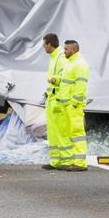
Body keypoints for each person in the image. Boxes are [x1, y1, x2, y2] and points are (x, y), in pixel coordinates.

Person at [61, 39, 90, 171]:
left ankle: (80, 162)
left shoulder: (79, 64)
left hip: (74, 106)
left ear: (73, 50)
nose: (64, 51)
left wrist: (74, 103)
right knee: (71, 133)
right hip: (68, 105)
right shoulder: (71, 63)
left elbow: (81, 85)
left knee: (77, 133)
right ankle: (74, 160)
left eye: (66, 49)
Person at [42, 33, 70, 170]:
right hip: (52, 100)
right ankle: (55, 160)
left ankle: (65, 160)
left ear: (49, 44)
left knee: (61, 131)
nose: (43, 48)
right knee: (53, 132)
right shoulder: (54, 58)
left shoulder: (60, 57)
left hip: (58, 100)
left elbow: (65, 77)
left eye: (44, 44)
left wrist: (56, 83)